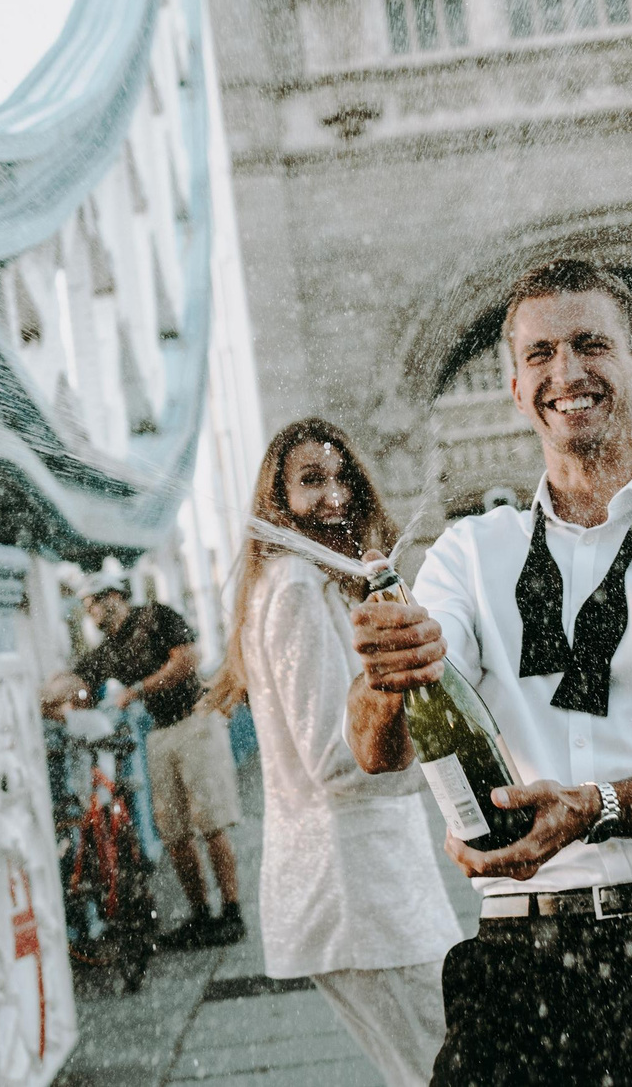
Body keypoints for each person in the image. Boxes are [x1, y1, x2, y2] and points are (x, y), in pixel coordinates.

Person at [347, 258, 632, 1087]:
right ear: (514, 384)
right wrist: (391, 669)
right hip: (519, 966)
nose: (565, 373)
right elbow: (376, 751)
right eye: (540, 355)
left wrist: (598, 807)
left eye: (590, 346)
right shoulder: (467, 553)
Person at [202, 419, 459, 1087]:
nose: (334, 495)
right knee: (446, 1069)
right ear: (278, 500)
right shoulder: (294, 588)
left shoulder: (324, 581)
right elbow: (333, 757)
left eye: (342, 476)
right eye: (310, 481)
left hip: (370, 884)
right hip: (357, 890)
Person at [66, 567, 245, 947]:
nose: (92, 614)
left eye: (94, 604)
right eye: (87, 608)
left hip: (195, 720)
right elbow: (79, 684)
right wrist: (50, 695)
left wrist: (136, 690)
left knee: (211, 822)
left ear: (114, 598)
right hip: (160, 731)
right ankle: (200, 915)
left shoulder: (157, 617)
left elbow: (187, 660)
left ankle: (231, 912)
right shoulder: (109, 651)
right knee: (174, 831)